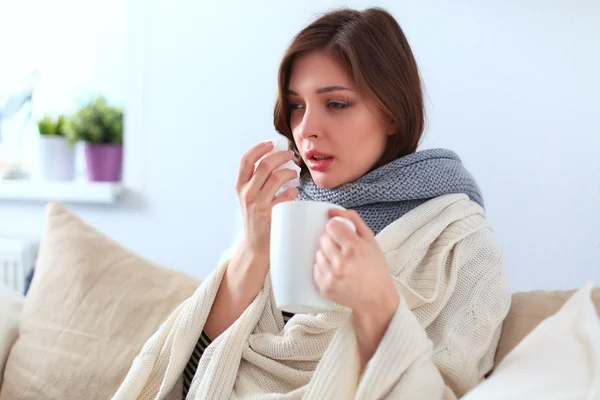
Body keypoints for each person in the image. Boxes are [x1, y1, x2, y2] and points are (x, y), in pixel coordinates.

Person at [112, 7, 511, 400]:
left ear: (393, 114)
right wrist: (252, 246)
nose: (306, 129)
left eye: (336, 104)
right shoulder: (283, 212)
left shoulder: (460, 241)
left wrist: (378, 304)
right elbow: (191, 380)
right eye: (296, 105)